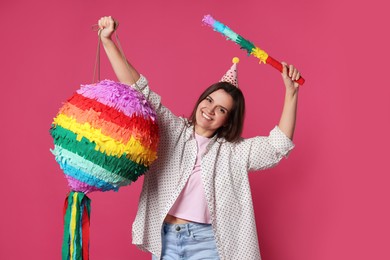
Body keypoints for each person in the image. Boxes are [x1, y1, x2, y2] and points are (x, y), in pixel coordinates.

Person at [98, 16, 301, 260]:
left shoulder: (234, 152)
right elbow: (139, 89)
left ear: (227, 120)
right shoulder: (172, 130)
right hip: (166, 239)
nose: (211, 110)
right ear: (201, 100)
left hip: (208, 243)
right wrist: (108, 41)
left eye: (222, 110)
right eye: (209, 100)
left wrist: (291, 93)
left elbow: (276, 146)